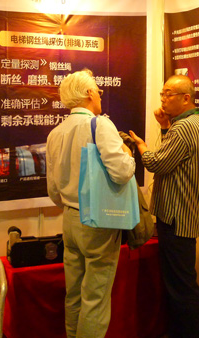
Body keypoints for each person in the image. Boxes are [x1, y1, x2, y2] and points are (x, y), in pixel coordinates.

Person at [46, 69, 135, 338]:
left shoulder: (56, 132)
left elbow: (53, 190)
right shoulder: (101, 125)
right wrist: (128, 154)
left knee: (73, 293)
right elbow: (121, 172)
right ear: (88, 93)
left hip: (70, 219)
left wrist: (70, 204)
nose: (100, 95)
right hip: (98, 219)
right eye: (98, 90)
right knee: (95, 297)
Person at [129, 74, 199, 338]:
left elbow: (156, 163)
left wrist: (141, 146)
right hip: (183, 215)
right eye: (162, 94)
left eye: (168, 94)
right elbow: (171, 158)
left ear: (186, 98)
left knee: (182, 287)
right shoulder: (195, 123)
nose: (163, 99)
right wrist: (165, 127)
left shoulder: (184, 127)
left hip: (177, 218)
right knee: (178, 284)